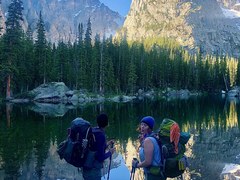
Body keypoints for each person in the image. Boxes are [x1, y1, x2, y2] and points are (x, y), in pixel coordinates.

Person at [82, 113, 115, 180]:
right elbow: (100, 157)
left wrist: (107, 144)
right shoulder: (101, 135)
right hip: (93, 171)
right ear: (107, 123)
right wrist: (110, 152)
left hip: (86, 168)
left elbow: (95, 148)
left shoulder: (93, 130)